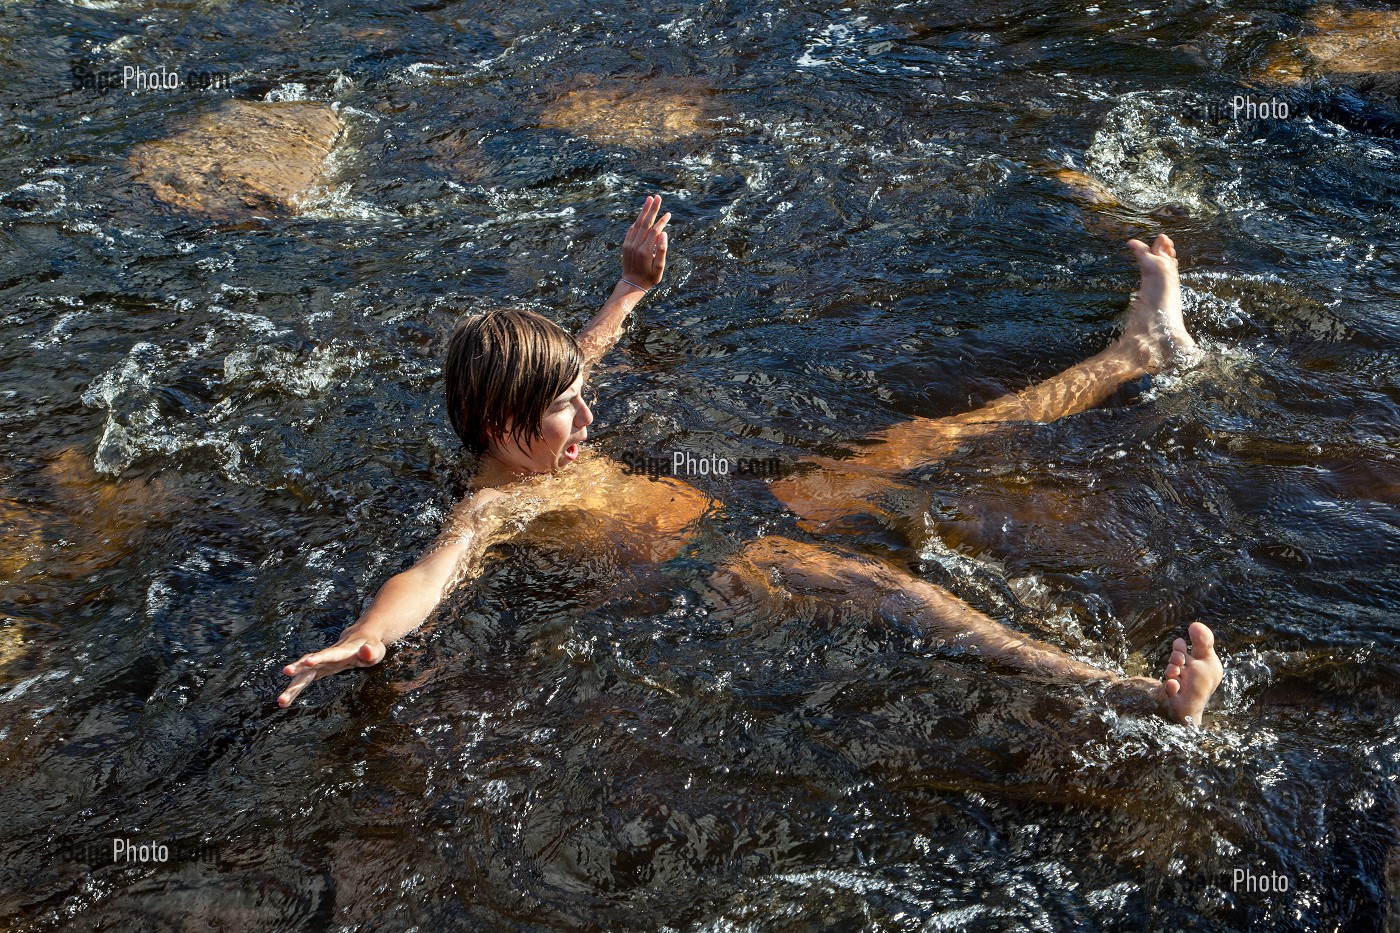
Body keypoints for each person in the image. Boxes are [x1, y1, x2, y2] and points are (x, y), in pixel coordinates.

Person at [278, 197, 1222, 725]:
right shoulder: (494, 503)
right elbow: (429, 573)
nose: (587, 414)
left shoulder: (535, 431)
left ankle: (1139, 352)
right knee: (899, 595)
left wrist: (627, 288)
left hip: (743, 495)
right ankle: (1138, 695)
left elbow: (587, 351)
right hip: (723, 562)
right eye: (563, 411)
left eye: (573, 396)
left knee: (936, 437)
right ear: (496, 424)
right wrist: (373, 635)